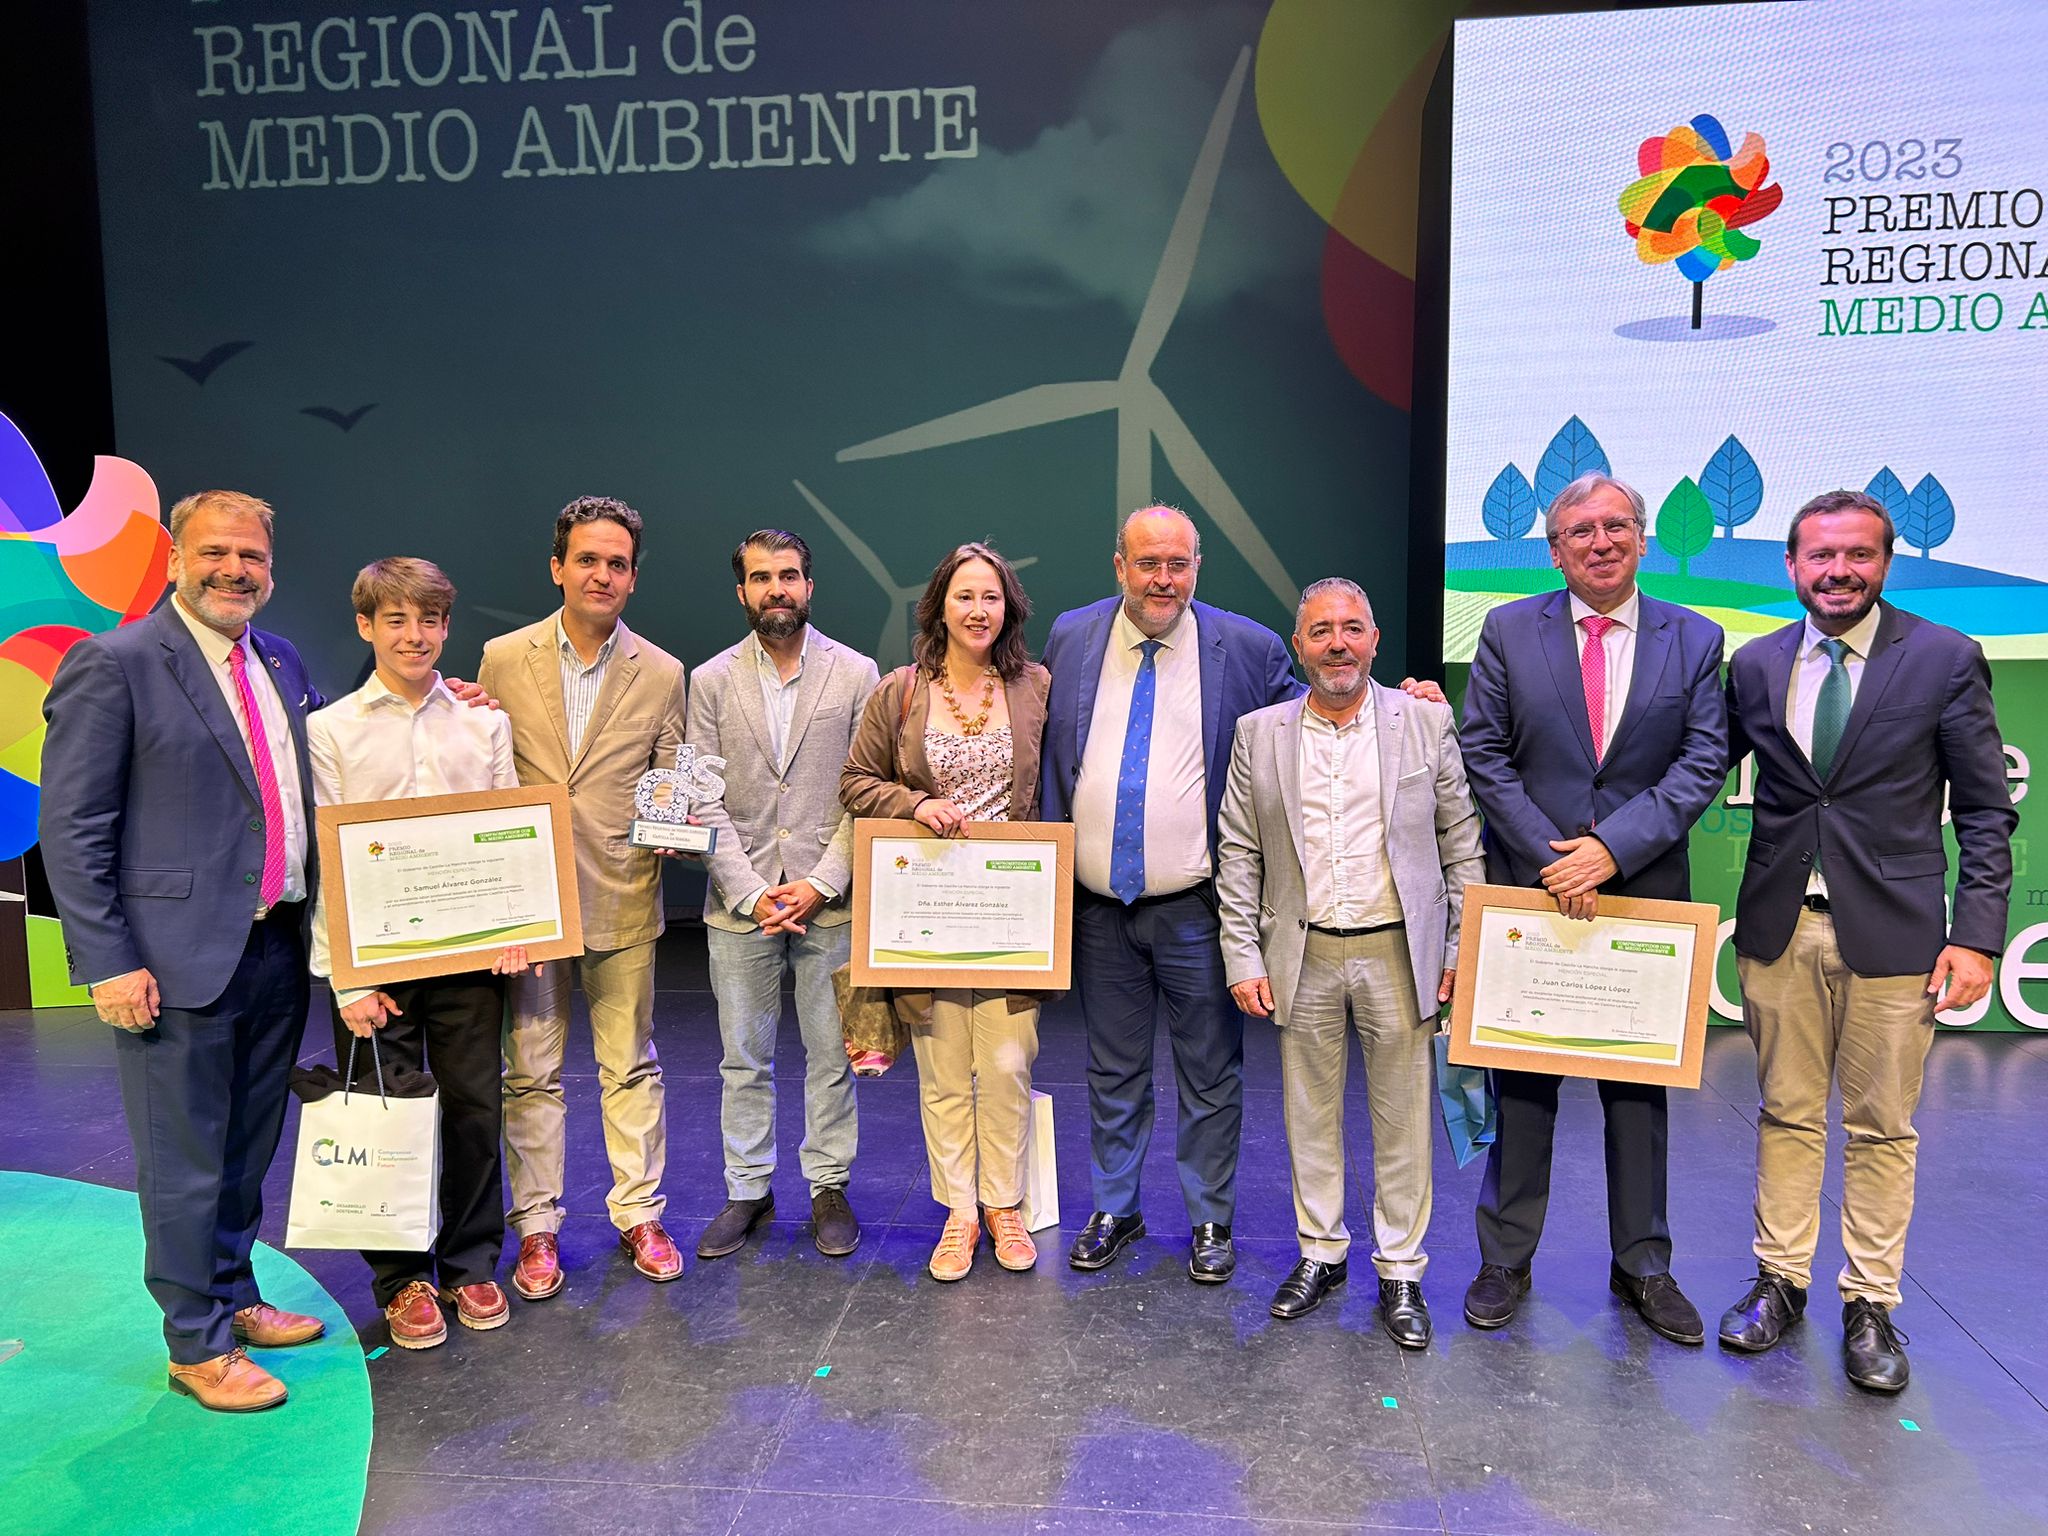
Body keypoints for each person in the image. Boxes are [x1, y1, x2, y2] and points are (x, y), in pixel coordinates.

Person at [1717, 489, 2014, 1392]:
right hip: (1778, 929)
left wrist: (1978, 938)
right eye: (1820, 557)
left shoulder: (1944, 658)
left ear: (1886, 563)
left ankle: (1870, 1302)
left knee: (1883, 1127)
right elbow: (1695, 763)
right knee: (1785, 1112)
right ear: (1792, 567)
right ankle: (1781, 1281)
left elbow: (1987, 812)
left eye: (1858, 556)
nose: (1838, 572)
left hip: (1898, 938)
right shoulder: (1758, 663)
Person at [39, 489, 328, 1412]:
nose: (234, 570)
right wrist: (108, 960)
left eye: (251, 556)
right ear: (174, 558)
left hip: (277, 947)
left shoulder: (280, 662)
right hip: (169, 963)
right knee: (183, 1159)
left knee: (247, 1147)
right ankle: (195, 1344)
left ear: (270, 569)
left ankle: (236, 1295)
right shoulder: (115, 664)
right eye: (215, 553)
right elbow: (74, 830)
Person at [1458, 473, 1727, 1343]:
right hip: (1535, 893)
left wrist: (1612, 850)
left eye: (1616, 526)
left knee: (1638, 1096)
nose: (1600, 542)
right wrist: (1556, 860)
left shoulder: (1697, 638)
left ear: (1643, 539)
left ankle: (1643, 1266)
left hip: (1643, 894)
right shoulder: (1507, 630)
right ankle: (1505, 1258)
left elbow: (1700, 764)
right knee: (1524, 1082)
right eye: (1581, 531)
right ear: (1555, 549)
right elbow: (1485, 754)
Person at [1216, 579, 1485, 1347]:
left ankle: (1401, 1269)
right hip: (1300, 950)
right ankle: (1321, 1252)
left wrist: (1460, 948)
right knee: (1309, 1114)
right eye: (1321, 630)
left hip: (1401, 949)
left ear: (1374, 640)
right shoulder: (1258, 732)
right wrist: (1243, 954)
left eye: (1353, 628)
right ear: (1297, 645)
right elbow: (1237, 851)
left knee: (1403, 1120)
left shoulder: (1425, 723)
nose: (1338, 642)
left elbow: (1461, 843)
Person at [1039, 505, 1301, 1282]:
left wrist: (1403, 696)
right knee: (1110, 1068)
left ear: (1197, 568)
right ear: (1118, 566)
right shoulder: (1072, 635)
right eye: (1148, 563)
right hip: (1097, 908)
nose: (1164, 579)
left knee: (1210, 1073)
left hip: (1197, 907)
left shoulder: (1246, 648)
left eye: (1178, 564)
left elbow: (1320, 708)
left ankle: (1210, 1220)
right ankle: (1116, 1208)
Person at [307, 558, 536, 1350]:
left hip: (471, 958)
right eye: (396, 619)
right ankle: (402, 1280)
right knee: (387, 1118)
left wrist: (517, 926)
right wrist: (348, 977)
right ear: (366, 626)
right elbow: (329, 862)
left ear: (446, 627)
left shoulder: (484, 721)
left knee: (476, 1109)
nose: (415, 635)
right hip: (379, 965)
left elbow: (509, 830)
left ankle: (472, 1264)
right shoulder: (330, 730)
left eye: (430, 620)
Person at [481, 496, 688, 1298]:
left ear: (633, 578)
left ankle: (639, 1213)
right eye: (588, 559)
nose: (602, 574)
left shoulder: (663, 671)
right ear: (557, 567)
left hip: (624, 895)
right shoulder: (501, 659)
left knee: (629, 1064)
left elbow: (670, 775)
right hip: (528, 904)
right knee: (529, 1070)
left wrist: (676, 817)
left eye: (618, 563)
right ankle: (537, 1228)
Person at [840, 542, 1051, 1282]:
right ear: (938, 606)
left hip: (1011, 910)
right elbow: (857, 781)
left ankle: (1005, 1204)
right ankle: (960, 1211)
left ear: (1008, 607)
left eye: (990, 597)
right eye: (964, 596)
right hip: (926, 905)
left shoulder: (1035, 687)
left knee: (1006, 1060)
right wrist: (917, 801)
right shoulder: (899, 691)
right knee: (941, 1066)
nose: (977, 610)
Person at [686, 530, 880, 1261]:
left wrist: (821, 881)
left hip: (830, 902)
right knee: (744, 1058)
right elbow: (701, 801)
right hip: (740, 910)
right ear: (742, 591)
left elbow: (867, 792)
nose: (778, 589)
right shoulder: (709, 681)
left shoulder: (858, 675)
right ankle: (749, 1190)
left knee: (832, 1055)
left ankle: (828, 1186)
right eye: (762, 577)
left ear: (809, 587)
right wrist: (750, 891)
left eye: (790, 576)